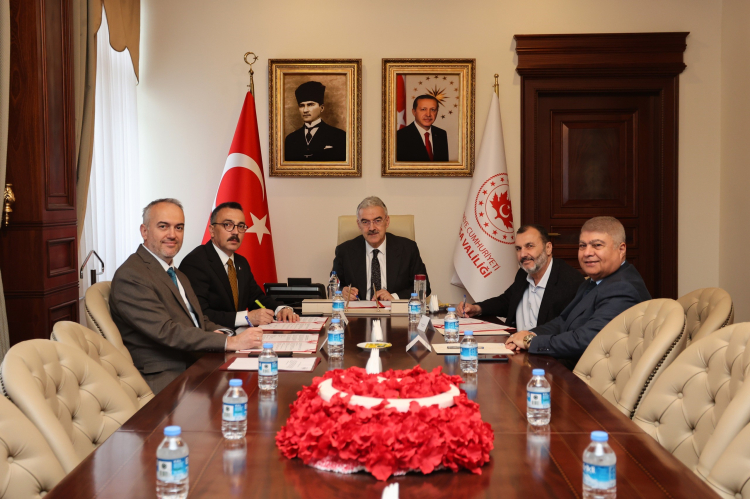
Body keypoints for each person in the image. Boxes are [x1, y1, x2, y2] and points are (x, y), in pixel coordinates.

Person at [109, 198, 264, 394]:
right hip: (168, 377)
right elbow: (166, 331)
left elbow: (198, 320)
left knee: (262, 380)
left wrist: (230, 335)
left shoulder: (177, 274)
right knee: (250, 393)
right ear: (144, 231)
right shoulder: (132, 275)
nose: (172, 235)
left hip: (199, 363)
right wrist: (230, 342)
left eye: (179, 227)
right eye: (163, 226)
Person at [505, 216, 651, 368]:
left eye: (597, 245)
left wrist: (530, 342)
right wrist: (529, 334)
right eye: (582, 246)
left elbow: (586, 340)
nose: (587, 253)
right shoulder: (593, 282)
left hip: (596, 377)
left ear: (621, 249)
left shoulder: (623, 287)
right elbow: (563, 320)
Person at [180, 201, 298, 328]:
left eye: (241, 226)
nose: (235, 232)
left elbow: (256, 299)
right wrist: (246, 318)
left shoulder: (241, 262)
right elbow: (199, 314)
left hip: (242, 336)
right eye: (228, 225)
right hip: (215, 337)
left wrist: (280, 309)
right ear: (212, 230)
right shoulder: (195, 262)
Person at [457, 224, 584, 329]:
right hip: (514, 346)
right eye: (518, 248)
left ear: (548, 248)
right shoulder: (523, 273)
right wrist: (477, 308)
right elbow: (507, 302)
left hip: (543, 349)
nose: (522, 254)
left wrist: (529, 340)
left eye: (530, 246)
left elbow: (567, 330)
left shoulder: (570, 282)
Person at [332, 196, 430, 301]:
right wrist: (342, 292)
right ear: (359, 225)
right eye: (365, 222)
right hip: (359, 309)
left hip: (394, 309)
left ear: (387, 221)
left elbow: (424, 288)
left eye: (377, 220)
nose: (372, 228)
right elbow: (333, 286)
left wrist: (394, 297)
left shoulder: (408, 249)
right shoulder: (344, 251)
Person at [284, 81, 347, 162]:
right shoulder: (291, 139)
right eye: (301, 106)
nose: (305, 110)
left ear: (321, 108)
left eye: (310, 105)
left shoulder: (339, 136)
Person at [396, 95, 449, 162]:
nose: (428, 114)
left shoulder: (441, 134)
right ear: (414, 112)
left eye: (433, 110)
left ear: (437, 112)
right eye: (423, 109)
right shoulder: (399, 136)